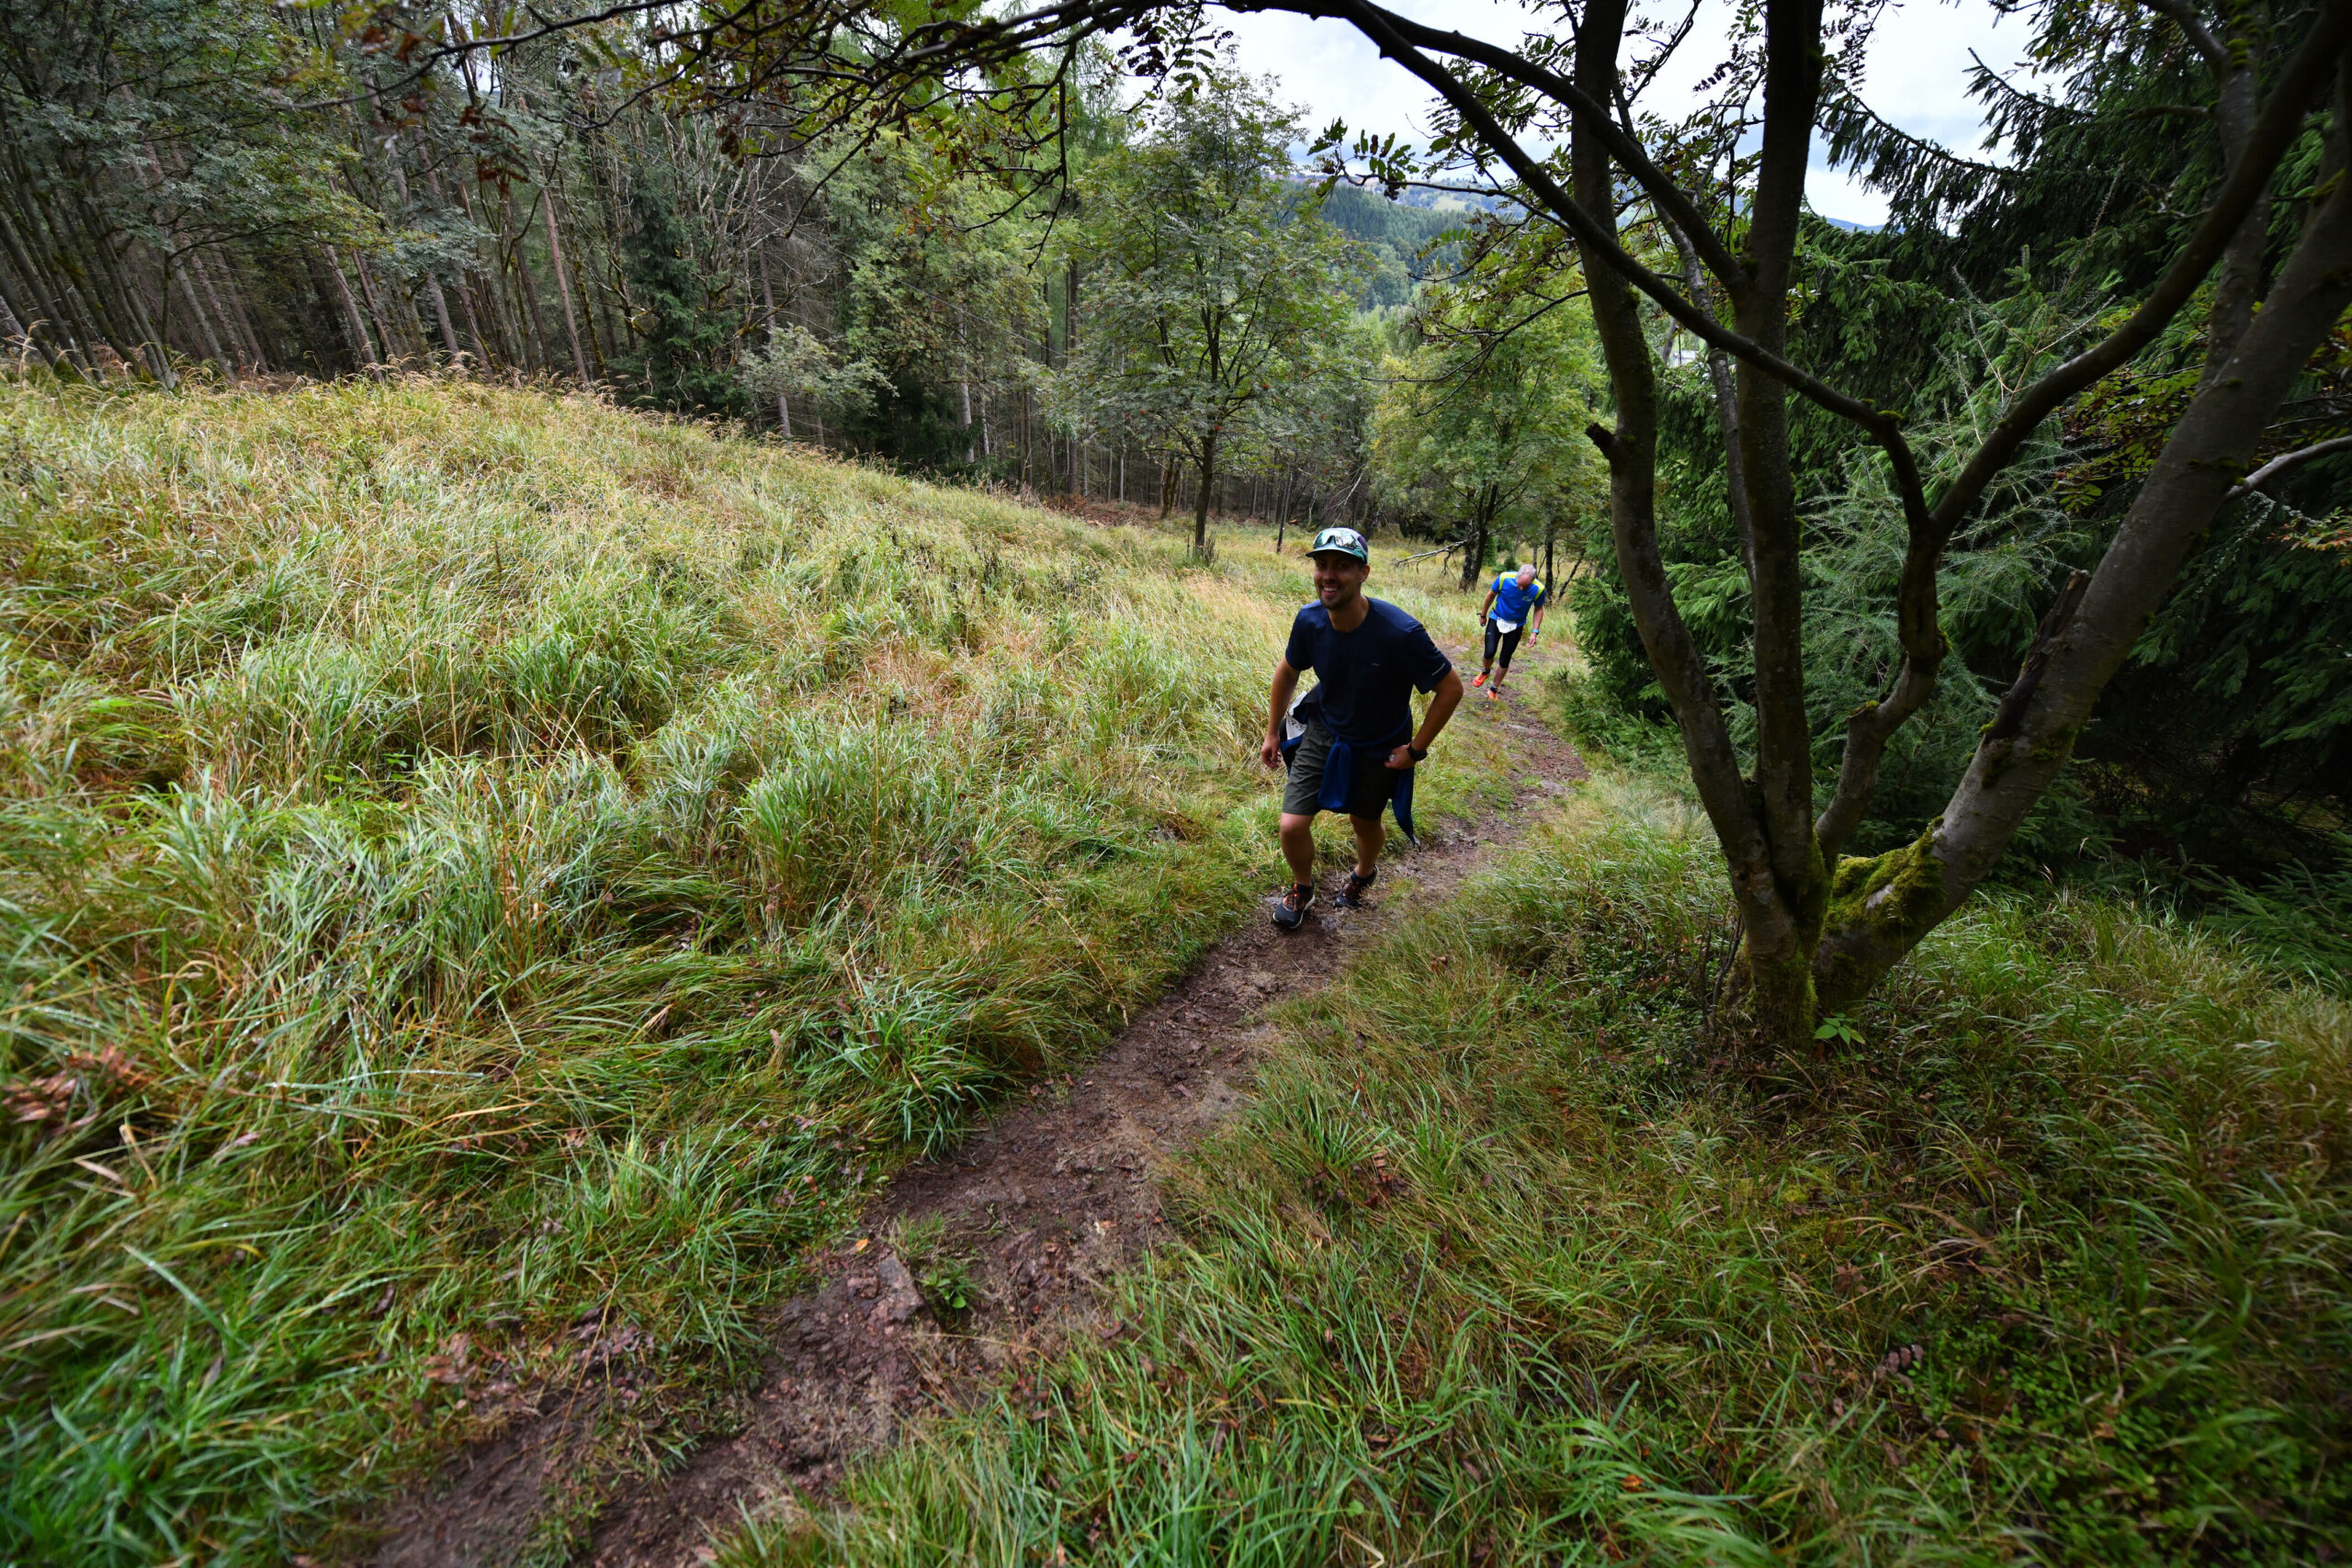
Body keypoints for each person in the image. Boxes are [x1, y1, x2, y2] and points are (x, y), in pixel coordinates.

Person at [1259, 525, 1465, 931]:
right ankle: (1303, 887)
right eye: (1321, 565)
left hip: (1379, 743)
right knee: (1292, 824)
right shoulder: (1310, 620)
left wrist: (1415, 750)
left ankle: (1364, 872)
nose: (1328, 575)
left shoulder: (1400, 633)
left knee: (1364, 823)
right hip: (1324, 730)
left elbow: (1451, 689)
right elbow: (1288, 670)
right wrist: (1271, 732)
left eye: (1341, 566)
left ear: (1363, 573)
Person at [1474, 563, 1547, 698]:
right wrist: (1483, 615)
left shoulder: (1538, 589)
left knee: (1505, 659)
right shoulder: (1504, 578)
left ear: (1533, 581)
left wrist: (1534, 632)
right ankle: (1486, 671)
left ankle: (1493, 689)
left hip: (1516, 625)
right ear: (1517, 576)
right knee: (1489, 652)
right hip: (1497, 618)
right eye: (1519, 584)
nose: (1521, 588)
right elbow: (1490, 595)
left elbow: (1539, 609)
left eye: (1525, 586)